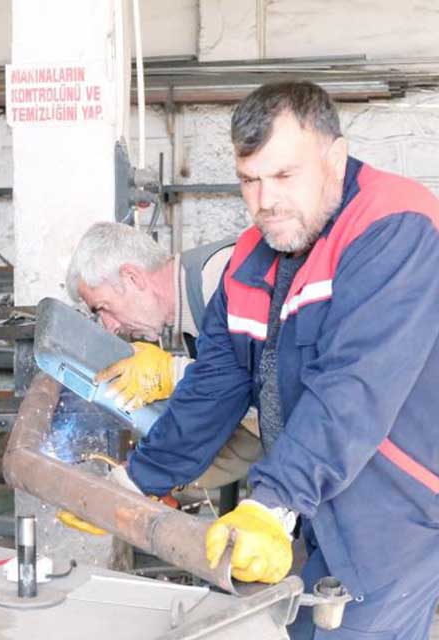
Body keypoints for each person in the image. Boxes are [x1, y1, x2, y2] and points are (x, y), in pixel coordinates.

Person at [125, 81, 439, 638]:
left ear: (334, 158)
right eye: (250, 180)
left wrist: (272, 503)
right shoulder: (251, 256)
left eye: (284, 176)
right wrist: (137, 480)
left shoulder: (397, 225)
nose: (265, 201)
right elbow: (214, 385)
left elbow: (353, 387)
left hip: (395, 510)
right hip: (314, 506)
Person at [64, 222, 261, 495]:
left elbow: (262, 382)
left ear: (132, 277)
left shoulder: (220, 277)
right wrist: (142, 483)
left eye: (104, 308)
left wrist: (174, 372)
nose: (110, 327)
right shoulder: (191, 307)